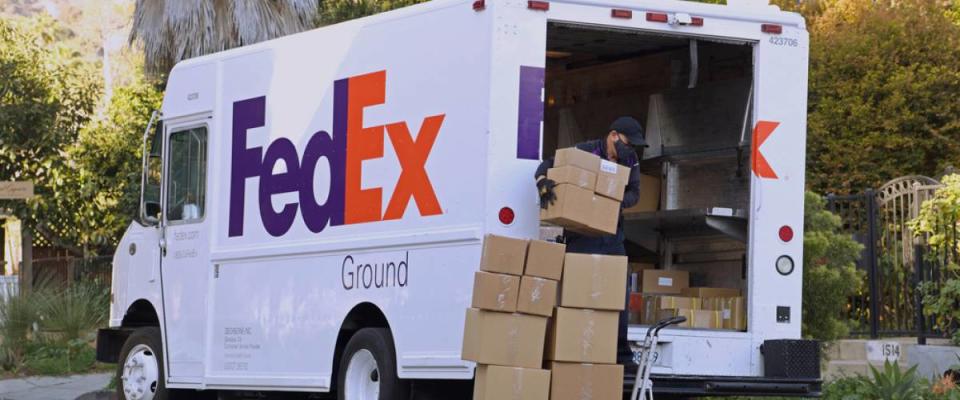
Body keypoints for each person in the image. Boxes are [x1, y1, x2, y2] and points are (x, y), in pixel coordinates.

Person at [534, 116, 645, 365]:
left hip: (611, 234)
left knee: (618, 294)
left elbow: (635, 193)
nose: (632, 149)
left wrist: (611, 202)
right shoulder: (585, 152)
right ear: (614, 135)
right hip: (581, 236)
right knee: (578, 293)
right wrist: (543, 182)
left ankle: (621, 356)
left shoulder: (630, 160)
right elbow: (548, 164)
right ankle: (572, 351)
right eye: (629, 143)